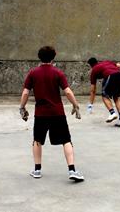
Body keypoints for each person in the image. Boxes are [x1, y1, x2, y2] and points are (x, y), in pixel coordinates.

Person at [19, 46, 84, 182]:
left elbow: (25, 92)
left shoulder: (33, 73)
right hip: (57, 113)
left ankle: (37, 170)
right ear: (53, 57)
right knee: (66, 140)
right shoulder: (58, 73)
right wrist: (75, 105)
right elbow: (67, 91)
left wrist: (22, 107)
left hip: (41, 114)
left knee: (37, 140)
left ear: (39, 57)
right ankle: (72, 170)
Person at [87, 57, 120, 127]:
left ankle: (112, 113)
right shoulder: (107, 62)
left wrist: (90, 104)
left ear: (90, 65)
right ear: (97, 61)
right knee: (116, 97)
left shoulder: (94, 70)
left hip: (111, 76)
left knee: (104, 95)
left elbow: (93, 90)